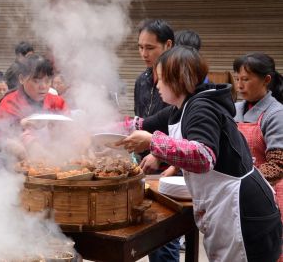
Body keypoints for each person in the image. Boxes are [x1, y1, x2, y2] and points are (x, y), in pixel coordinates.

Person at [119, 46, 282, 261]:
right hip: (225, 206)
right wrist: (94, 127)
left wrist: (152, 142)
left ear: (179, 79)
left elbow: (204, 156)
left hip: (242, 209)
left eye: (161, 79)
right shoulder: (180, 107)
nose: (157, 85)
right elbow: (139, 124)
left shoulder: (201, 107)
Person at [134, 19, 179, 262]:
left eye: (150, 48)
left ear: (168, 45)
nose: (144, 54)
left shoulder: (179, 80)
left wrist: (159, 153)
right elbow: (141, 121)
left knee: (165, 238)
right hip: (145, 169)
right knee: (149, 232)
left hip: (173, 170)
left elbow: (181, 129)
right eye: (140, 47)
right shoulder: (141, 80)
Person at [233, 53, 283, 217]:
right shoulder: (234, 109)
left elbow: (278, 165)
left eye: (246, 79)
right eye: (237, 78)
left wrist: (242, 183)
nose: (239, 85)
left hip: (267, 195)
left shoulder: (276, 114)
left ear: (266, 80)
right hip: (236, 192)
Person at [0, 54, 67, 125]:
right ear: (21, 79)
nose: (43, 86)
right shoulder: (9, 103)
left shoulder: (58, 102)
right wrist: (19, 125)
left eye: (47, 81)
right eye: (36, 81)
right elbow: (2, 131)